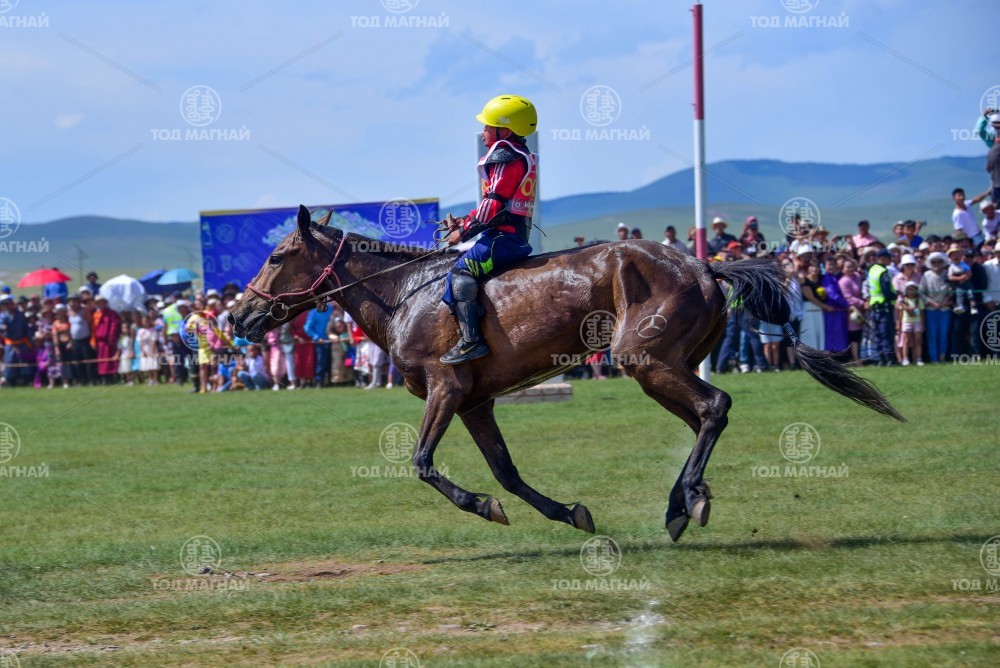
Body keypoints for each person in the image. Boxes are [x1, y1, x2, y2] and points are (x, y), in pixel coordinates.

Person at [440, 94, 537, 365]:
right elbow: (491, 205)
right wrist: (464, 221)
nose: (483, 131)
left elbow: (493, 206)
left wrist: (463, 233)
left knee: (460, 273)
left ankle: (472, 342)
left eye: (487, 126)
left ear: (504, 131)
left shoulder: (505, 156)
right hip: (508, 235)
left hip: (503, 239)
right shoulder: (519, 154)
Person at [919, 252, 952, 363]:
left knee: (944, 334)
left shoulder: (947, 274)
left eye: (939, 262)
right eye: (934, 262)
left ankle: (942, 357)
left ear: (943, 263)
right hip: (930, 309)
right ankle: (934, 359)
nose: (937, 264)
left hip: (945, 309)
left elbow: (952, 289)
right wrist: (930, 302)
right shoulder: (926, 275)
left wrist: (947, 300)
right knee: (932, 335)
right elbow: (921, 292)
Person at [867, 248, 897, 365]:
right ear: (883, 258)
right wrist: (896, 295)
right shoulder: (883, 272)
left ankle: (881, 359)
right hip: (884, 306)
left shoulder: (872, 270)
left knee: (879, 334)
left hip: (875, 307)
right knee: (887, 334)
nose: (891, 260)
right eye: (889, 258)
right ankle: (890, 359)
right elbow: (886, 291)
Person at [0, 294, 34, 387]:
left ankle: (26, 380)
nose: (7, 305)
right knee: (10, 362)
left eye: (8, 303)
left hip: (22, 343)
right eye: (4, 304)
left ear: (12, 303)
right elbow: (1, 326)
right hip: (10, 344)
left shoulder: (20, 314)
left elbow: (26, 329)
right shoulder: (3, 316)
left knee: (23, 361)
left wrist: (29, 342)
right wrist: (2, 327)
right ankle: (11, 381)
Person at [838, 258, 866, 364]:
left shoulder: (857, 276)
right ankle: (856, 359)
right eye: (847, 267)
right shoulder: (843, 281)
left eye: (852, 266)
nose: (850, 269)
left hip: (862, 309)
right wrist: (862, 303)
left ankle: (862, 356)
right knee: (854, 335)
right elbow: (848, 297)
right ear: (843, 269)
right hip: (852, 311)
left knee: (861, 334)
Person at [821, 256, 849, 352]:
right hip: (832, 311)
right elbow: (832, 295)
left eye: (833, 265)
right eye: (829, 265)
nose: (832, 267)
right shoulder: (826, 279)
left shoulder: (835, 277)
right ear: (824, 266)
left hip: (839, 311)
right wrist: (847, 304)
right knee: (832, 335)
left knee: (840, 335)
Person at [92, 295, 121, 384]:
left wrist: (112, 337)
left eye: (102, 302)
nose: (100, 304)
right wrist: (93, 340)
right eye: (98, 303)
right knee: (102, 360)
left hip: (110, 341)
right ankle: (104, 378)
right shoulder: (96, 314)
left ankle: (114, 377)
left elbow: (114, 325)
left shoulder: (112, 313)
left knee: (112, 359)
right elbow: (94, 328)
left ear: (105, 303)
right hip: (100, 342)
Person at [896, 282, 925, 366]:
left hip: (917, 321)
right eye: (909, 289)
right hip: (907, 321)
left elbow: (921, 313)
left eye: (913, 289)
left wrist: (923, 324)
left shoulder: (919, 301)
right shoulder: (904, 301)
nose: (911, 292)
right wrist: (899, 323)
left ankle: (918, 358)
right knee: (906, 340)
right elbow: (900, 313)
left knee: (918, 340)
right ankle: (905, 358)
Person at [946, 244, 973, 315]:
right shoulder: (951, 267)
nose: (956, 256)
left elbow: (969, 273)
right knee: (959, 294)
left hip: (967, 283)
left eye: (957, 254)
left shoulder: (964, 264)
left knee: (970, 293)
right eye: (953, 255)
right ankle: (960, 306)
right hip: (957, 285)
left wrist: (965, 278)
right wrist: (959, 278)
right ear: (950, 257)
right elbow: (950, 277)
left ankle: (973, 306)